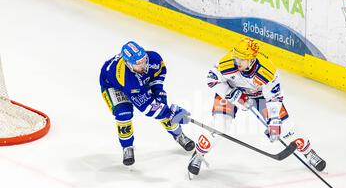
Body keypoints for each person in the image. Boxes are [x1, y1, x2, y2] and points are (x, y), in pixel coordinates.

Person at [187, 37, 326, 176]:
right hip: (231, 92)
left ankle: (308, 153)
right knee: (219, 126)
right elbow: (211, 80)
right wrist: (231, 93)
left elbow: (274, 97)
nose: (237, 62)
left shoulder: (267, 71)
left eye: (242, 60)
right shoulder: (227, 63)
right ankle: (198, 154)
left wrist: (274, 120)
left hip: (260, 96)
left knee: (285, 127)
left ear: (252, 59)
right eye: (236, 58)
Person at [100, 41, 194, 166]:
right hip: (113, 85)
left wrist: (158, 91)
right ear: (128, 64)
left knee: (161, 104)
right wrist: (170, 112)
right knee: (124, 113)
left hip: (137, 82)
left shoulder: (154, 58)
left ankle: (179, 135)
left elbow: (158, 74)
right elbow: (148, 108)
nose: (143, 64)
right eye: (138, 63)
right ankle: (127, 147)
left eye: (144, 59)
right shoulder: (127, 79)